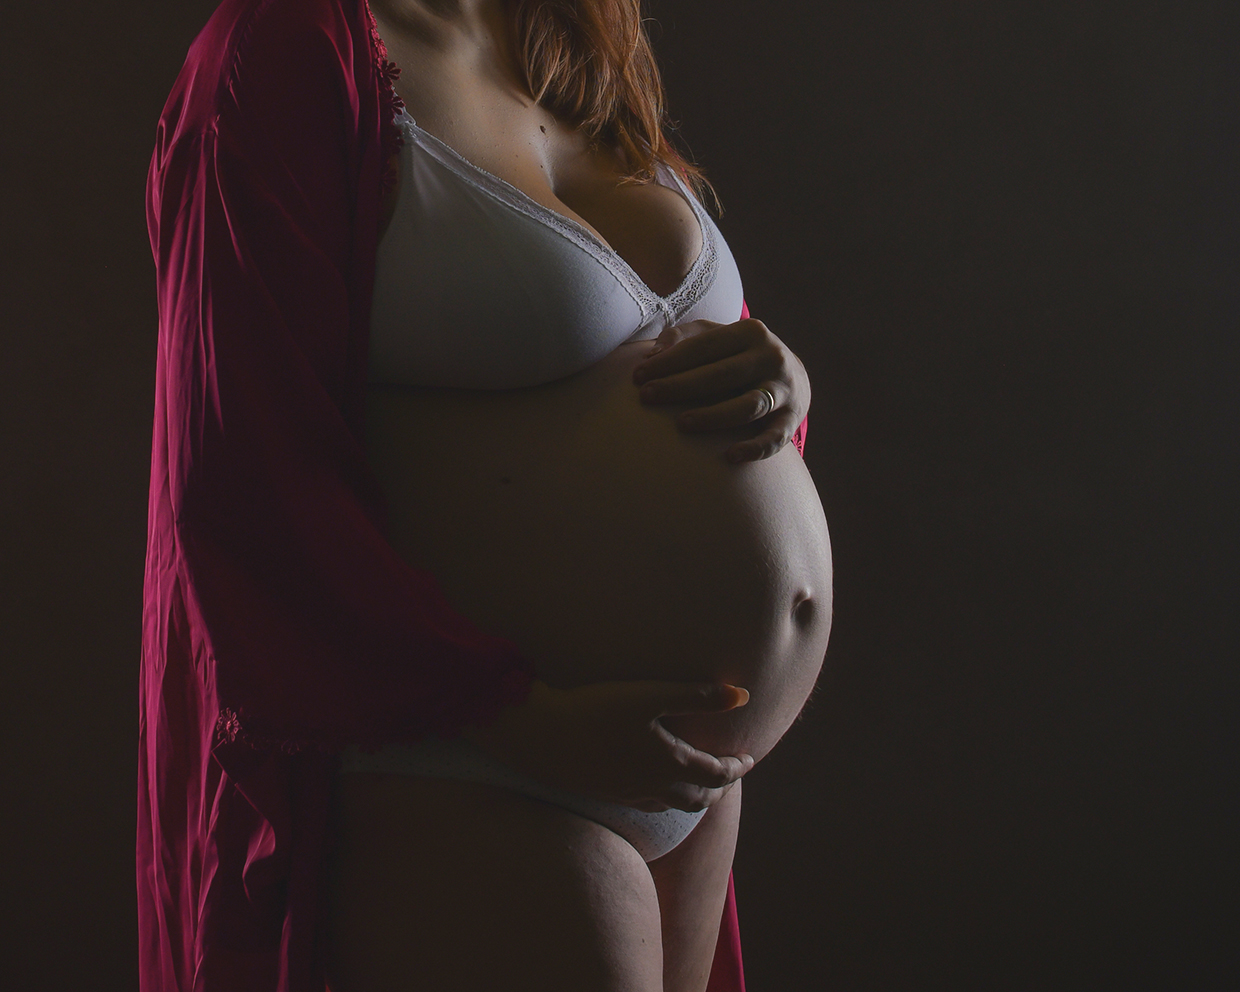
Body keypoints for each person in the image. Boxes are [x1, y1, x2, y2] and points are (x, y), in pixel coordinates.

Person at [138, 1, 829, 990]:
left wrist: (779, 386)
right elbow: (241, 465)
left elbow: (638, 389)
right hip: (477, 754)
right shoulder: (284, 47)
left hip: (684, 780)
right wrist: (521, 718)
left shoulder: (568, 40)